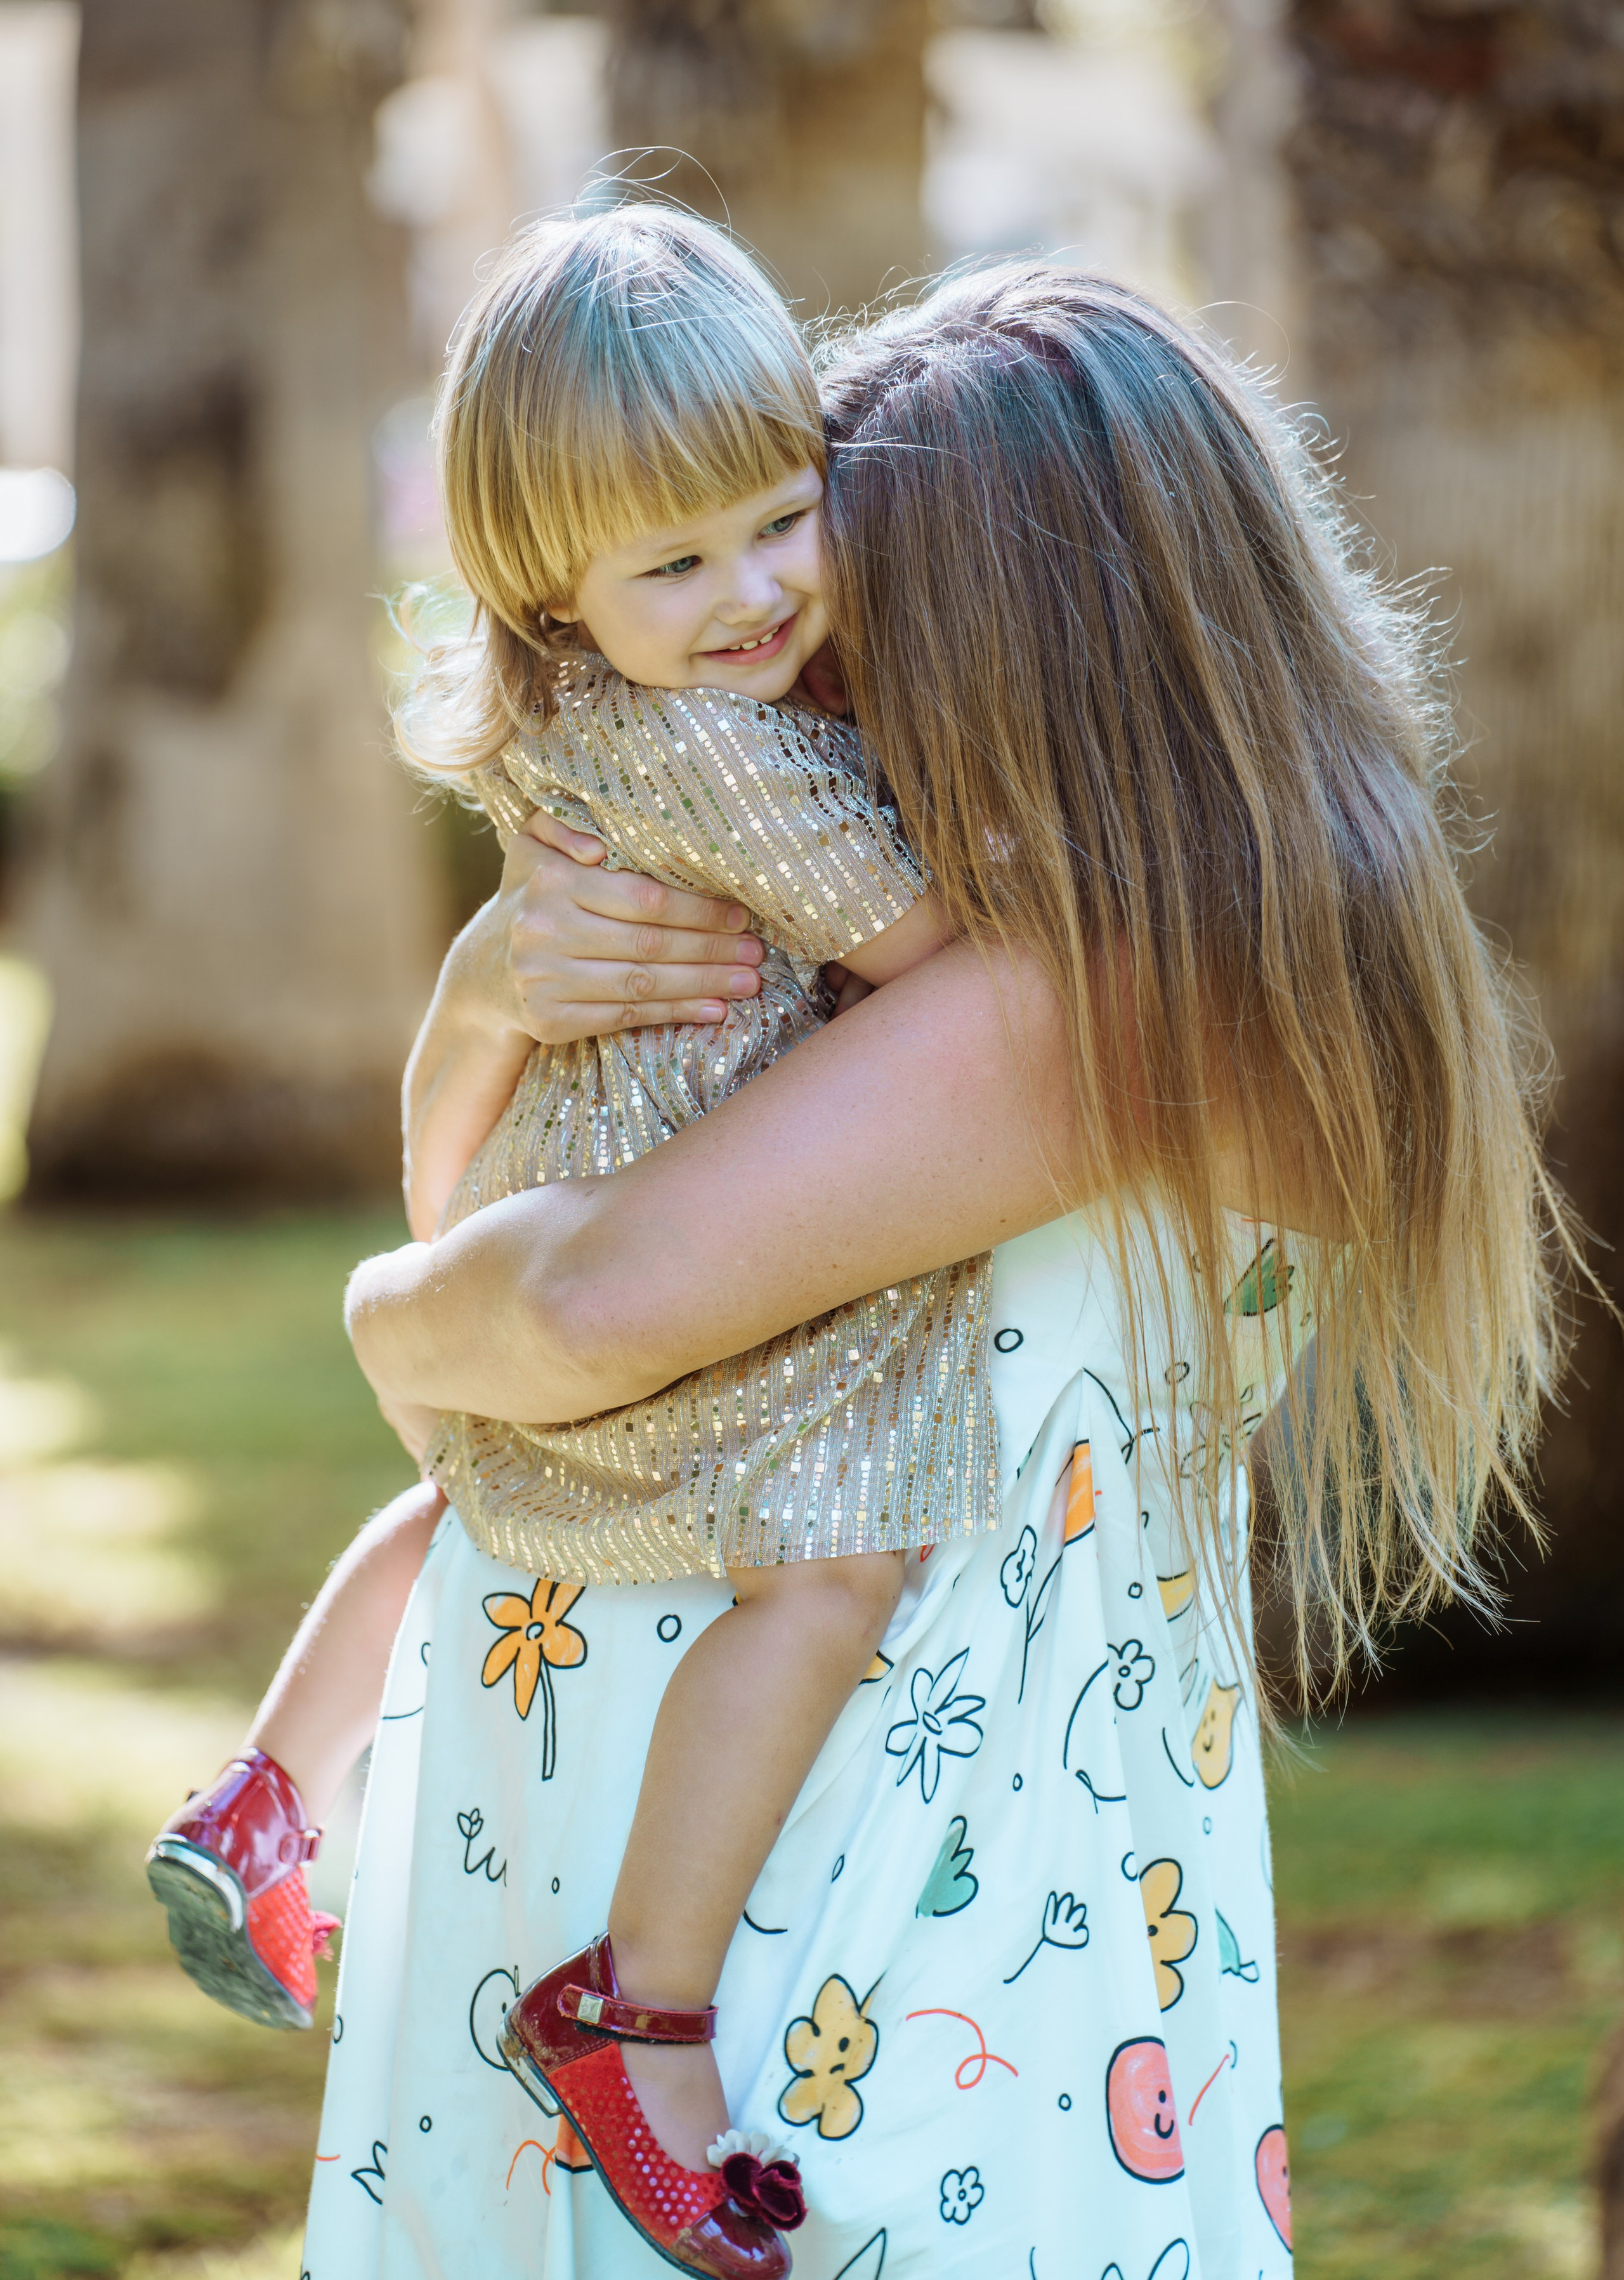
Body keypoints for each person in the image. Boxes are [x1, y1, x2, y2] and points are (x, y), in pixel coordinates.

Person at [308, 261, 1568, 2279]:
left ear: (1026, 639)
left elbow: (554, 1312)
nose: (796, 673)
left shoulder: (1081, 1008)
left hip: (876, 1954)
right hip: (917, 1906)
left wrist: (385, 1314)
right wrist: (482, 1001)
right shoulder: (1261, 949)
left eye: (843, 602)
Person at [148, 207, 1005, 2277]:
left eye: (781, 520)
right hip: (674, 1252)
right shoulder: (742, 754)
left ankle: (272, 1788)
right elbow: (950, 969)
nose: (753, 595)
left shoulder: (581, 721)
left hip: (562, 1203)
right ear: (551, 585)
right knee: (831, 1571)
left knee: (467, 1482)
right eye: (674, 564)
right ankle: (645, 2008)